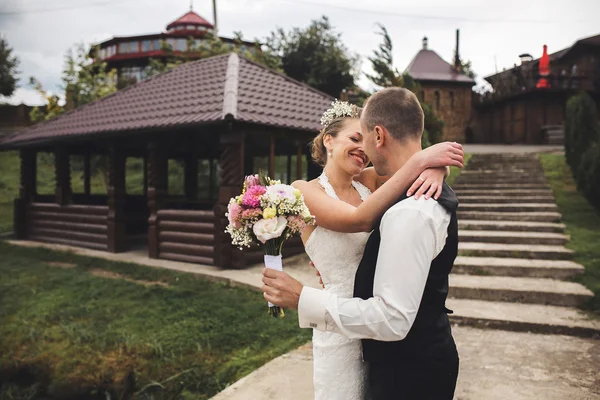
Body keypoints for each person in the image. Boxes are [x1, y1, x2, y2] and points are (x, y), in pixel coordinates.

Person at [262, 91, 463, 400]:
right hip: (342, 327)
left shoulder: (370, 181)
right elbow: (359, 220)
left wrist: (436, 166)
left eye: (365, 140)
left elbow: (403, 164)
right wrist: (422, 159)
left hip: (382, 329)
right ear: (328, 140)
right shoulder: (303, 190)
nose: (363, 149)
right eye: (354, 138)